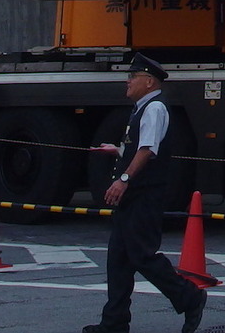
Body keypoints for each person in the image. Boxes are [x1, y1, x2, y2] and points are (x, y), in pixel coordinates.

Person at [84, 55, 203, 333]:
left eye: (133, 76)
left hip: (144, 194)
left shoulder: (154, 108)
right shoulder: (142, 108)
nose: (127, 81)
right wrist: (117, 151)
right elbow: (140, 146)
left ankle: (190, 296)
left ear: (149, 81)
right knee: (118, 260)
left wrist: (123, 179)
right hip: (134, 195)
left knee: (142, 255)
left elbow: (148, 150)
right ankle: (113, 323)